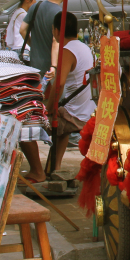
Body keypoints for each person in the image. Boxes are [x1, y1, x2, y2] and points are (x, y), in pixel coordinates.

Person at [28, 12, 95, 182]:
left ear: (57, 31)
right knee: (60, 123)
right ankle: (54, 167)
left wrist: (48, 109)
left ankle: (37, 171)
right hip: (87, 109)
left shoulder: (67, 50)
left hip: (76, 114)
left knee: (26, 123)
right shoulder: (84, 47)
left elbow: (59, 84)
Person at [20, 0, 65, 74]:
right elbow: (55, 40)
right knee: (49, 89)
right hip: (50, 65)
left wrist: (33, 45)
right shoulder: (59, 13)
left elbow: (22, 30)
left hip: (34, 62)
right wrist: (54, 66)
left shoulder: (35, 6)